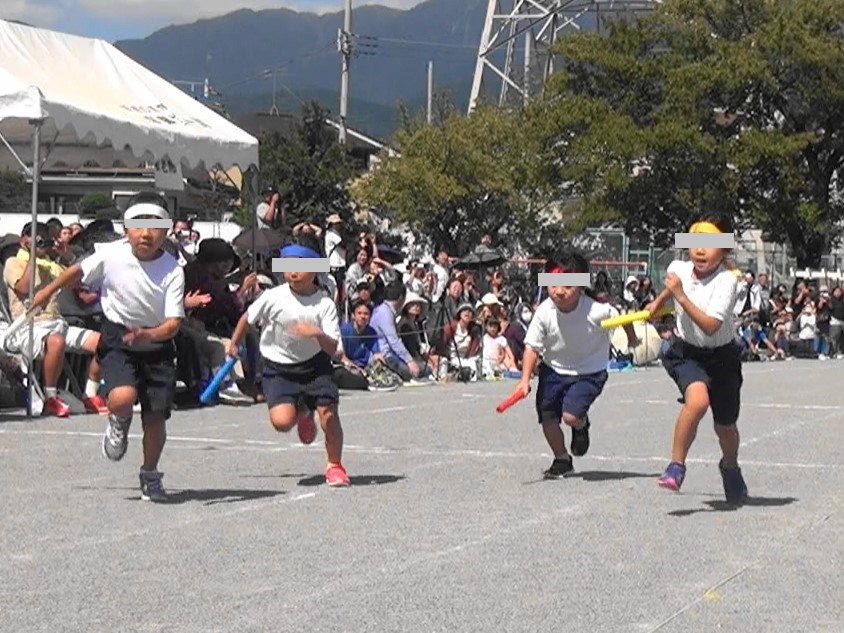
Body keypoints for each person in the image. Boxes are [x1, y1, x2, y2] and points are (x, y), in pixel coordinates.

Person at [31, 193, 185, 502]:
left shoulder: (173, 269)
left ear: (166, 231)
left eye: (155, 226)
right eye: (138, 225)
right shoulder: (111, 253)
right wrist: (47, 291)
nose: (146, 233)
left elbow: (173, 325)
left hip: (157, 345)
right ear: (126, 228)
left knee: (155, 417)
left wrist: (148, 334)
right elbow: (77, 271)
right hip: (118, 338)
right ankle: (119, 420)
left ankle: (150, 473)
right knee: (122, 397)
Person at [227, 234, 349, 487]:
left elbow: (332, 348)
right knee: (282, 422)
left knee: (329, 414)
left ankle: (335, 465)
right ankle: (303, 413)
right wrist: (234, 343)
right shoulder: (274, 296)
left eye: (300, 266)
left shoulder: (324, 303)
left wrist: (315, 333)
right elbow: (246, 318)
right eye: (287, 265)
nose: (293, 272)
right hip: (278, 367)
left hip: (315, 366)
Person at [644, 217, 748, 504]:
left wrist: (679, 295)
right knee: (698, 401)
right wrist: (659, 301)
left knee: (725, 426)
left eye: (711, 245)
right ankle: (676, 466)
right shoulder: (678, 268)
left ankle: (730, 466)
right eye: (695, 244)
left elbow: (710, 325)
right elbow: (673, 284)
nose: (700, 251)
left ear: (725, 250)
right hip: (687, 352)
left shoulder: (728, 281)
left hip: (722, 358)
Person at [512, 254, 637, 479]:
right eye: (552, 284)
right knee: (547, 417)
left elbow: (624, 319)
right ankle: (561, 459)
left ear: (581, 286)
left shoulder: (597, 310)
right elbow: (531, 347)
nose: (559, 291)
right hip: (553, 369)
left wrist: (632, 339)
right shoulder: (544, 311)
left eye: (567, 286)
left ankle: (581, 425)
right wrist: (524, 380)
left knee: (569, 416)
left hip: (589, 372)